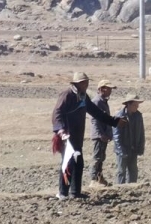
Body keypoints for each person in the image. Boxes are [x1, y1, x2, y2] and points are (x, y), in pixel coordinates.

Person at [52, 72, 124, 200]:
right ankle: (63, 193)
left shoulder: (83, 97)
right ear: (77, 84)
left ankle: (75, 193)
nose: (86, 85)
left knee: (78, 163)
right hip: (66, 136)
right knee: (68, 163)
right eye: (83, 82)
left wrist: (114, 121)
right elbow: (57, 112)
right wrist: (61, 130)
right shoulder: (67, 94)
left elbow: (96, 112)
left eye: (87, 82)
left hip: (77, 136)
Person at [89, 79, 117, 188]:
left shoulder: (103, 102)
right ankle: (93, 179)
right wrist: (101, 134)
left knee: (101, 157)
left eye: (110, 89)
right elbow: (94, 120)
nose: (110, 91)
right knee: (97, 157)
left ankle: (99, 178)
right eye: (108, 88)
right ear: (101, 89)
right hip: (99, 136)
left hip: (104, 135)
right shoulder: (97, 102)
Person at [113, 94, 145, 184]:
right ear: (128, 104)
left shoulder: (138, 116)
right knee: (121, 171)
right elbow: (116, 135)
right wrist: (121, 150)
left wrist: (140, 147)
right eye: (135, 105)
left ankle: (132, 189)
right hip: (123, 148)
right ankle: (120, 188)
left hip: (133, 148)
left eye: (137, 104)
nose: (137, 106)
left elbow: (141, 133)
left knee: (133, 171)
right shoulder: (119, 116)